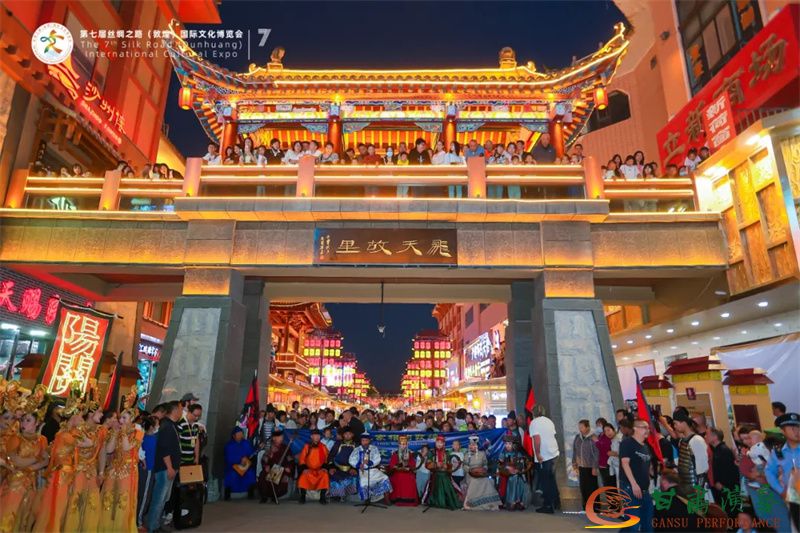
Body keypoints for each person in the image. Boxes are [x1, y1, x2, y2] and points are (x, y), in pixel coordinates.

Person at [0, 401, 48, 532]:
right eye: (22, 420)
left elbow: (46, 461)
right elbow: (16, 461)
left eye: (28, 420)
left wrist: (31, 468)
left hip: (31, 484)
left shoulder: (42, 440)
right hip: (14, 483)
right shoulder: (15, 438)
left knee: (24, 518)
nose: (23, 424)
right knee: (9, 515)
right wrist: (36, 459)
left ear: (37, 423)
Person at [99, 395, 143, 533]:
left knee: (122, 501)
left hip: (128, 470)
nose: (121, 420)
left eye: (124, 418)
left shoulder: (138, 433)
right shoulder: (116, 431)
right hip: (113, 469)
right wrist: (114, 433)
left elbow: (126, 447)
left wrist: (122, 433)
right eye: (120, 418)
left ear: (132, 420)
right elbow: (109, 450)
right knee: (108, 498)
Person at [63, 398, 107, 533]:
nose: (102, 415)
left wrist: (101, 472)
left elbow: (102, 452)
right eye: (99, 412)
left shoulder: (101, 431)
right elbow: (67, 449)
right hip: (77, 470)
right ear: (90, 413)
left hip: (92, 471)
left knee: (91, 503)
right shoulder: (78, 430)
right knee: (75, 502)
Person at [147, 401, 182, 533]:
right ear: (174, 410)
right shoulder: (166, 426)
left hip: (169, 468)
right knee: (159, 498)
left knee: (163, 499)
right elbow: (164, 449)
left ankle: (156, 524)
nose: (181, 412)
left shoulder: (171, 425)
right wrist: (170, 467)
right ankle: (152, 526)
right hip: (164, 468)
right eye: (180, 409)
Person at [765, 412, 800, 531]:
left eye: (798, 427)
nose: (797, 431)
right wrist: (781, 491)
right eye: (792, 428)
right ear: (782, 431)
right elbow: (769, 472)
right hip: (794, 498)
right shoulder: (778, 452)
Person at [619, 419, 654, 532]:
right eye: (644, 427)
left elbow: (646, 466)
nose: (647, 430)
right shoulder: (627, 443)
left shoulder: (646, 447)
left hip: (644, 490)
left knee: (648, 523)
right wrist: (634, 484)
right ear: (635, 428)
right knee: (633, 524)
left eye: (648, 428)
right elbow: (625, 463)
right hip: (630, 488)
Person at [529, 404, 560, 513]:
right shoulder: (549, 421)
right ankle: (556, 502)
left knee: (545, 481)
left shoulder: (534, 423)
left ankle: (548, 505)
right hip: (554, 453)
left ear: (533, 412)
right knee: (551, 479)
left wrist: (537, 454)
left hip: (544, 455)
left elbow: (537, 439)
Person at [672, 409, 709, 497]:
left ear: (683, 423)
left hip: (697, 488)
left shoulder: (697, 440)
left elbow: (703, 467)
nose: (674, 426)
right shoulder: (682, 441)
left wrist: (699, 488)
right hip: (686, 487)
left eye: (675, 423)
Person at [349, 432, 392, 502]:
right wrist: (358, 465)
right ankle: (367, 499)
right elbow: (351, 459)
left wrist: (370, 462)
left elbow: (378, 458)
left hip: (373, 470)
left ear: (369, 441)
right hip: (363, 471)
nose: (365, 442)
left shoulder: (374, 448)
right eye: (363, 440)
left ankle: (386, 499)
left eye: (366, 440)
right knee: (363, 483)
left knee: (385, 478)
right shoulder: (357, 449)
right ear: (361, 441)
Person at [462, 435, 501, 511]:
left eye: (474, 445)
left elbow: (485, 465)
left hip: (481, 474)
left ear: (477, 446)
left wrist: (483, 470)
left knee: (488, 481)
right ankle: (469, 504)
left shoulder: (482, 453)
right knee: (474, 481)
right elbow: (464, 466)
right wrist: (471, 470)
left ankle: (491, 504)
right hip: (470, 475)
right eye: (471, 445)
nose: (472, 446)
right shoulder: (467, 454)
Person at [423, 434, 462, 509]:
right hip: (435, 476)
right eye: (438, 442)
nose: (439, 444)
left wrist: (446, 466)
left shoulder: (447, 453)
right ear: (435, 443)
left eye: (441, 443)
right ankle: (436, 502)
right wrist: (436, 464)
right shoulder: (431, 452)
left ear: (444, 444)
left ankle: (446, 502)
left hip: (445, 475)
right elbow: (427, 465)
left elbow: (450, 465)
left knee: (448, 491)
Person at [497, 434, 532, 510]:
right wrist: (506, 468)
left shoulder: (518, 454)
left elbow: (521, 465)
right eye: (506, 444)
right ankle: (511, 502)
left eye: (509, 444)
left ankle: (519, 502)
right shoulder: (503, 453)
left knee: (520, 481)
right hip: (505, 473)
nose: (507, 445)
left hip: (518, 473)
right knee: (512, 479)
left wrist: (517, 470)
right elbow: (500, 465)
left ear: (513, 445)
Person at [258, 430, 294, 503]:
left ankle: (275, 495)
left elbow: (290, 460)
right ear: (274, 438)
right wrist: (266, 466)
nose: (281, 438)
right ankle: (264, 495)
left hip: (282, 468)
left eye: (282, 437)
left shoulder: (285, 447)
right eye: (279, 437)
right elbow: (264, 459)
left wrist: (289, 467)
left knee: (278, 475)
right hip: (272, 467)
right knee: (263, 475)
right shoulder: (270, 448)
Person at [707, 428, 737, 514]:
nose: (705, 436)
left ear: (715, 437)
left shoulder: (724, 450)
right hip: (722, 488)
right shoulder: (717, 450)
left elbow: (730, 471)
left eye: (707, 434)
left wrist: (723, 485)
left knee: (730, 512)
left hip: (726, 489)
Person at [297, 429, 329, 504]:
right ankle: (302, 496)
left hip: (319, 470)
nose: (317, 437)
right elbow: (302, 459)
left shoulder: (323, 447)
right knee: (303, 476)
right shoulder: (307, 446)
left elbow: (326, 459)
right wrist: (304, 468)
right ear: (311, 436)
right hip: (309, 470)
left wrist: (324, 467)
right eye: (315, 435)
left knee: (325, 475)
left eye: (318, 435)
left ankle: (322, 497)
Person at [326, 426, 358, 501]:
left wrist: (354, 469)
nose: (347, 435)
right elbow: (331, 456)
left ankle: (347, 495)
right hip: (337, 468)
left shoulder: (356, 445)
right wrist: (331, 467)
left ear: (352, 435)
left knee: (354, 477)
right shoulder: (338, 444)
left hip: (350, 469)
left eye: (349, 434)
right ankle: (336, 495)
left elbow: (358, 459)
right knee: (334, 477)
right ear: (343, 435)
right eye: (346, 434)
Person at [572, 419, 599, 508]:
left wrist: (595, 467)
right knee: (583, 487)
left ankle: (595, 507)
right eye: (579, 427)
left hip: (591, 466)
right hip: (581, 466)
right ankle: (586, 506)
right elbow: (575, 451)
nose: (580, 429)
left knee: (592, 487)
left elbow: (597, 453)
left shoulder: (593, 437)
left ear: (587, 427)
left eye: (582, 427)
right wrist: (574, 463)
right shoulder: (577, 437)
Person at [224, 427, 256, 500]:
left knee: (250, 474)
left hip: (245, 466)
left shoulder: (246, 443)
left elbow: (251, 454)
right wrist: (239, 460)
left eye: (241, 434)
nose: (240, 436)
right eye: (238, 434)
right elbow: (228, 458)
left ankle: (251, 494)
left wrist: (246, 458)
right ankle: (227, 495)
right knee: (232, 476)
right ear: (234, 436)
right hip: (233, 466)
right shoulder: (229, 445)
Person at [387, 435, 419, 506]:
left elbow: (413, 464)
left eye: (404, 444)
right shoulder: (395, 454)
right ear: (399, 445)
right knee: (398, 477)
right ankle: (397, 499)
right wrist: (397, 467)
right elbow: (392, 465)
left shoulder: (409, 453)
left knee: (411, 478)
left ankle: (409, 499)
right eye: (401, 444)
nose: (403, 446)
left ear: (407, 445)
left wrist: (409, 467)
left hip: (407, 472)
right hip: (397, 472)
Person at [177, 403, 201, 467]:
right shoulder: (181, 424)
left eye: (199, 416)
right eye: (195, 415)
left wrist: (197, 457)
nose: (197, 418)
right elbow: (176, 442)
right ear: (189, 412)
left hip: (191, 460)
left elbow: (196, 441)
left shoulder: (195, 425)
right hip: (181, 460)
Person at [596, 422, 616, 487]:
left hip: (614, 468)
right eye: (605, 431)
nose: (607, 433)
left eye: (608, 430)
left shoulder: (618, 439)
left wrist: (617, 454)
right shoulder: (601, 437)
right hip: (606, 466)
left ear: (613, 429)